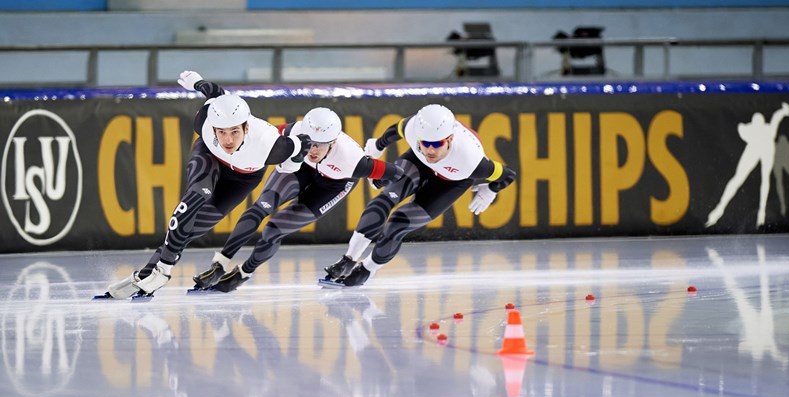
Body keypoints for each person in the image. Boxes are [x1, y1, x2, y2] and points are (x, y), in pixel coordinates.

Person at [96, 70, 310, 300]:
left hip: (241, 179)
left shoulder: (270, 145)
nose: (228, 140)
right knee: (196, 195)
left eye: (234, 132)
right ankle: (162, 271)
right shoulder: (205, 119)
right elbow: (216, 93)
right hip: (210, 157)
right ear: (213, 127)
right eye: (222, 132)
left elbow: (303, 144)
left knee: (192, 230)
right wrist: (197, 82)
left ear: (246, 128)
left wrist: (293, 164)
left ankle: (147, 274)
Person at [191, 107, 405, 293]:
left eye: (319, 145)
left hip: (333, 186)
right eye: (309, 142)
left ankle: (244, 273)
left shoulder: (354, 161)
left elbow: (395, 173)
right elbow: (260, 135)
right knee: (259, 209)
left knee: (274, 229)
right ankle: (220, 264)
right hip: (298, 169)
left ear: (332, 142)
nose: (312, 150)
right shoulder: (295, 130)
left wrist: (378, 183)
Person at [323, 103, 516, 287]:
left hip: (450, 182)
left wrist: (491, 190)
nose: (430, 150)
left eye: (437, 144)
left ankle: (367, 270)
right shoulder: (414, 127)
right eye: (425, 143)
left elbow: (508, 175)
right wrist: (379, 145)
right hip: (417, 163)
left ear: (450, 139)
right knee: (384, 200)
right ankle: (348, 259)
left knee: (398, 224)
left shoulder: (471, 160)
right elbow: (395, 130)